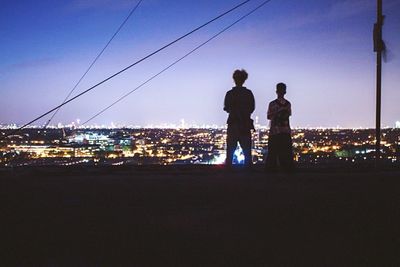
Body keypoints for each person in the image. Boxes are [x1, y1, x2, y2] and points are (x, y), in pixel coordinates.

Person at [224, 69, 255, 167]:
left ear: (234, 79)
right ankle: (248, 169)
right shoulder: (248, 93)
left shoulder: (230, 94)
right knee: (246, 150)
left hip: (233, 124)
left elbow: (226, 107)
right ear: (244, 80)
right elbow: (251, 108)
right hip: (245, 124)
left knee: (230, 149)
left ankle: (228, 169)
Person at [266, 82, 294, 172]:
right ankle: (287, 171)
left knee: (273, 154)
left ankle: (272, 171)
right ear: (285, 92)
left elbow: (269, 117)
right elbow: (288, 115)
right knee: (286, 154)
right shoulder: (288, 104)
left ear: (276, 91)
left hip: (274, 132)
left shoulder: (272, 104)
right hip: (285, 132)